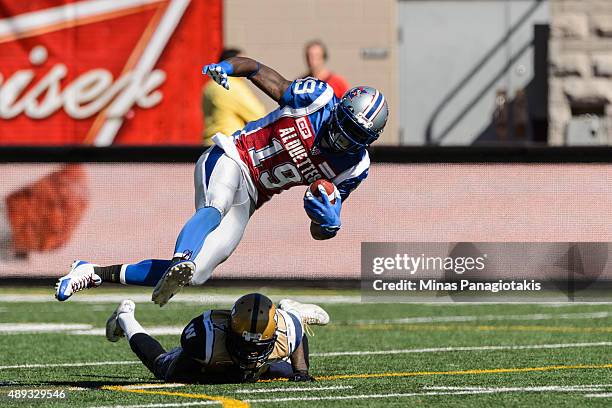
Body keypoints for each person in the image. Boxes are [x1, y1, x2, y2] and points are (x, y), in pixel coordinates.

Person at [54, 54, 389, 306]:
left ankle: (92, 270)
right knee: (214, 207)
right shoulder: (316, 99)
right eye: (344, 126)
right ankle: (180, 257)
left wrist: (329, 224)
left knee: (197, 274)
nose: (342, 139)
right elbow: (258, 70)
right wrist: (228, 68)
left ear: (366, 140)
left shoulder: (354, 167)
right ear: (340, 109)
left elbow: (321, 227)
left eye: (353, 137)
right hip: (232, 155)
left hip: (254, 194)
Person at [105, 294, 328, 383]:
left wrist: (301, 373)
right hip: (210, 361)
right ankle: (125, 317)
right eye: (245, 344)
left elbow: (296, 336)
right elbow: (177, 374)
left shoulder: (287, 330)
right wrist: (216, 375)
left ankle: (289, 309)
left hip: (258, 356)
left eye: (256, 346)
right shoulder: (207, 341)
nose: (250, 352)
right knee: (162, 367)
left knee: (285, 371)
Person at [202, 48, 266, 146]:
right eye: (243, 62)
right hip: (228, 145)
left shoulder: (209, 86)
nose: (247, 67)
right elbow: (259, 115)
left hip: (208, 143)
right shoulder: (233, 86)